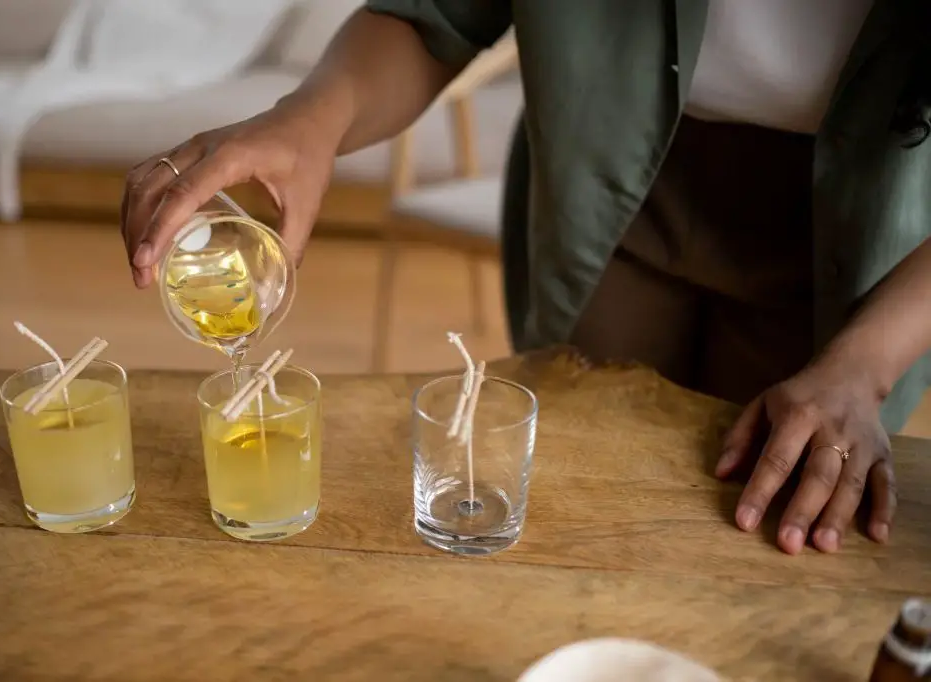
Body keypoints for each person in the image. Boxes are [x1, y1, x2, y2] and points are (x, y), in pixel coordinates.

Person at [120, 1, 931, 556]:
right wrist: (314, 117)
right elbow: (437, 14)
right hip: (608, 193)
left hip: (864, 237)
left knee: (768, 526)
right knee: (582, 508)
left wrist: (865, 365)